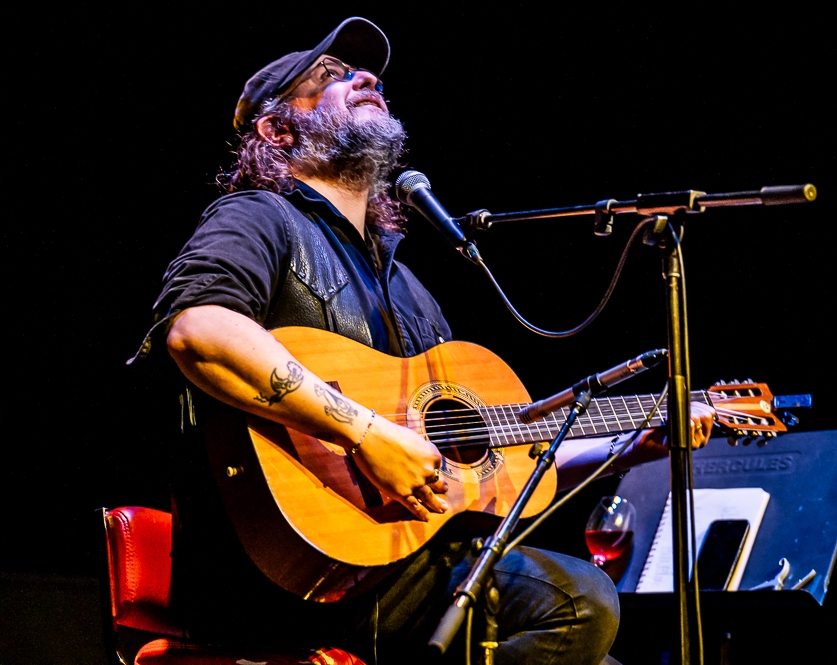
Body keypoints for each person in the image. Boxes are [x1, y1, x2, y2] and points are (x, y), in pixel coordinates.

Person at [133, 16, 715, 665]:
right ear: (276, 129)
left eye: (368, 74)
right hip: (283, 575)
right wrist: (366, 432)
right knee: (580, 601)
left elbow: (491, 468)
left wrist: (630, 444)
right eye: (331, 76)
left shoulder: (407, 286)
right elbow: (198, 329)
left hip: (394, 564)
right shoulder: (258, 218)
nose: (366, 77)